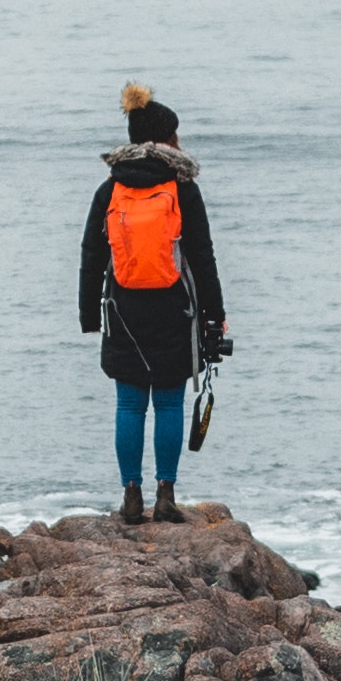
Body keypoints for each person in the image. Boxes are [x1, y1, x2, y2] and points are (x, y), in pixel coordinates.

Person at [78, 83, 228, 527]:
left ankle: (130, 495)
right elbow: (202, 257)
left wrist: (90, 315)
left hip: (122, 309)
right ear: (165, 140)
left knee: (128, 405)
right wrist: (214, 317)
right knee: (167, 404)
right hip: (172, 309)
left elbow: (91, 254)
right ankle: (165, 495)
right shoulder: (182, 188)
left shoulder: (111, 189)